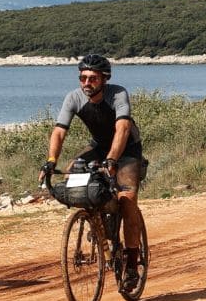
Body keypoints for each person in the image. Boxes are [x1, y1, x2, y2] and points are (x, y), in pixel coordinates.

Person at [41, 54, 147, 279]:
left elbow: (123, 129)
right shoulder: (73, 98)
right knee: (74, 171)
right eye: (83, 78)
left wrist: (112, 160)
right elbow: (59, 131)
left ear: (104, 79)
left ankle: (130, 261)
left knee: (127, 200)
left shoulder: (117, 94)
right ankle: (94, 218)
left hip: (127, 149)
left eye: (93, 79)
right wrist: (51, 161)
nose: (86, 83)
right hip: (99, 146)